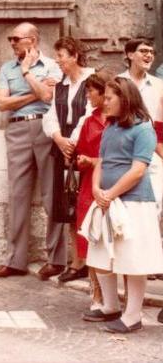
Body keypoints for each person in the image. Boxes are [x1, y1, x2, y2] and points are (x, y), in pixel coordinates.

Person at [81, 77, 163, 333]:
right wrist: (97, 190)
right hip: (106, 199)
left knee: (132, 258)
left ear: (125, 99)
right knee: (100, 253)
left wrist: (111, 193)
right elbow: (101, 162)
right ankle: (110, 306)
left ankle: (133, 315)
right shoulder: (110, 128)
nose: (104, 103)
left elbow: (138, 170)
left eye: (108, 98)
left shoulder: (143, 130)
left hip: (134, 202)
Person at [0, 22, 65, 280]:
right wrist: (33, 92)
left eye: (16, 39)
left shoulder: (52, 66)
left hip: (46, 129)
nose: (11, 42)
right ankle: (15, 260)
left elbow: (49, 97)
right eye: (10, 39)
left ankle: (56, 259)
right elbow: (2, 103)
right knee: (18, 194)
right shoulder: (6, 68)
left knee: (51, 194)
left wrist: (26, 74)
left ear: (32, 41)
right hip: (17, 130)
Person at [41, 37, 94, 282]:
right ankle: (78, 260)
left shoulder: (91, 80)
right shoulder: (61, 85)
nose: (58, 61)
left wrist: (70, 141)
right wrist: (58, 138)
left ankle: (88, 259)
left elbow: (88, 115)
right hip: (63, 150)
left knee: (85, 205)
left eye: (61, 55)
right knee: (69, 206)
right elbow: (50, 115)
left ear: (74, 56)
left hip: (84, 149)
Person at [73, 70, 113, 310]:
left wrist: (93, 160)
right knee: (91, 238)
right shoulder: (89, 120)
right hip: (90, 183)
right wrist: (83, 160)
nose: (88, 95)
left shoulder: (121, 120)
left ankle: (114, 297)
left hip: (114, 181)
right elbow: (81, 151)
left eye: (91, 91)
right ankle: (97, 295)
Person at [117, 38, 163, 207]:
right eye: (143, 51)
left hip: (153, 152)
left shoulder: (159, 85)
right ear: (130, 55)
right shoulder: (117, 83)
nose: (149, 55)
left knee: (157, 202)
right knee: (126, 205)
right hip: (123, 152)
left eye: (151, 52)